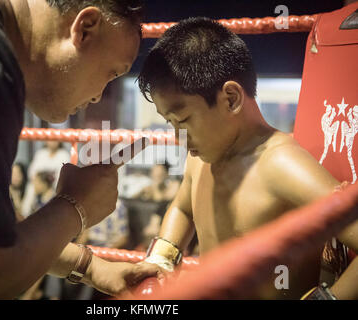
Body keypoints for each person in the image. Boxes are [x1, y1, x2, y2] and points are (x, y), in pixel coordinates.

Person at [0, 0, 160, 299]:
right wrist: (75, 207)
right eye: (110, 74)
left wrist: (91, 267)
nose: (97, 97)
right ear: (85, 28)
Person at [132, 17, 358, 299]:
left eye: (183, 120)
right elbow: (183, 208)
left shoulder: (281, 165)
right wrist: (161, 258)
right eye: (171, 124)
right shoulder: (200, 157)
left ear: (230, 99)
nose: (180, 137)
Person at [22, 141, 70, 217]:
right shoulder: (41, 153)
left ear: (59, 142)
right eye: (50, 140)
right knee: (31, 188)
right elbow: (32, 172)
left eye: (54, 140)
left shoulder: (64, 154)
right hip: (40, 181)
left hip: (54, 186)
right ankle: (25, 215)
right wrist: (39, 180)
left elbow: (63, 175)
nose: (52, 142)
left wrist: (49, 183)